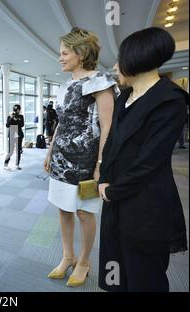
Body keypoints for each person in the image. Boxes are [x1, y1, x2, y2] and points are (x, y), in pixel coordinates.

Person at [98, 27, 188, 292]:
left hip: (144, 204)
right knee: (115, 269)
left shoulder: (170, 101)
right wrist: (104, 178)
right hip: (114, 198)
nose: (115, 66)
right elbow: (112, 142)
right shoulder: (124, 95)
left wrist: (112, 191)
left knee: (143, 276)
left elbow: (150, 162)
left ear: (136, 58)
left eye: (120, 59)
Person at [44, 27, 118, 287]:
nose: (60, 57)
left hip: (87, 163)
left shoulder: (100, 81)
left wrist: (101, 165)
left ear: (80, 52)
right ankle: (67, 257)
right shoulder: (65, 85)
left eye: (64, 53)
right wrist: (51, 150)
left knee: (85, 213)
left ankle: (84, 261)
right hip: (62, 160)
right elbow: (61, 123)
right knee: (63, 209)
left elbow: (107, 126)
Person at [4, 104, 24, 170]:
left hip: (18, 134)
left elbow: (22, 125)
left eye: (18, 109)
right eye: (16, 109)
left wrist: (17, 119)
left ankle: (17, 164)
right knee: (10, 151)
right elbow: (7, 125)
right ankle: (6, 164)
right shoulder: (10, 116)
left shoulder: (21, 116)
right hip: (12, 134)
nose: (17, 111)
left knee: (18, 150)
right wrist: (12, 118)